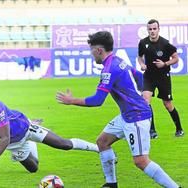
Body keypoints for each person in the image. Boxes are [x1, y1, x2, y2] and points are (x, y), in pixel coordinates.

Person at [56, 31, 181, 188]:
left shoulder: (109, 69)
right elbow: (138, 76)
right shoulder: (118, 60)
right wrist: (142, 94)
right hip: (127, 116)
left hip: (136, 117)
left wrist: (71, 100)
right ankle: (111, 183)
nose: (91, 54)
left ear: (99, 50)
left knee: (141, 161)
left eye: (91, 50)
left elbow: (97, 101)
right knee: (102, 141)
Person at [137, 19, 184, 139]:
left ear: (158, 29)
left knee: (167, 104)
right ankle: (152, 131)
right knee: (145, 101)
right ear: (147, 30)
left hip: (163, 76)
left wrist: (165, 64)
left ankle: (179, 129)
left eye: (154, 29)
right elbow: (140, 57)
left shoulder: (165, 44)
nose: (152, 31)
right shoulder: (143, 43)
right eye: (150, 29)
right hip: (149, 76)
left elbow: (175, 58)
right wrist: (142, 64)